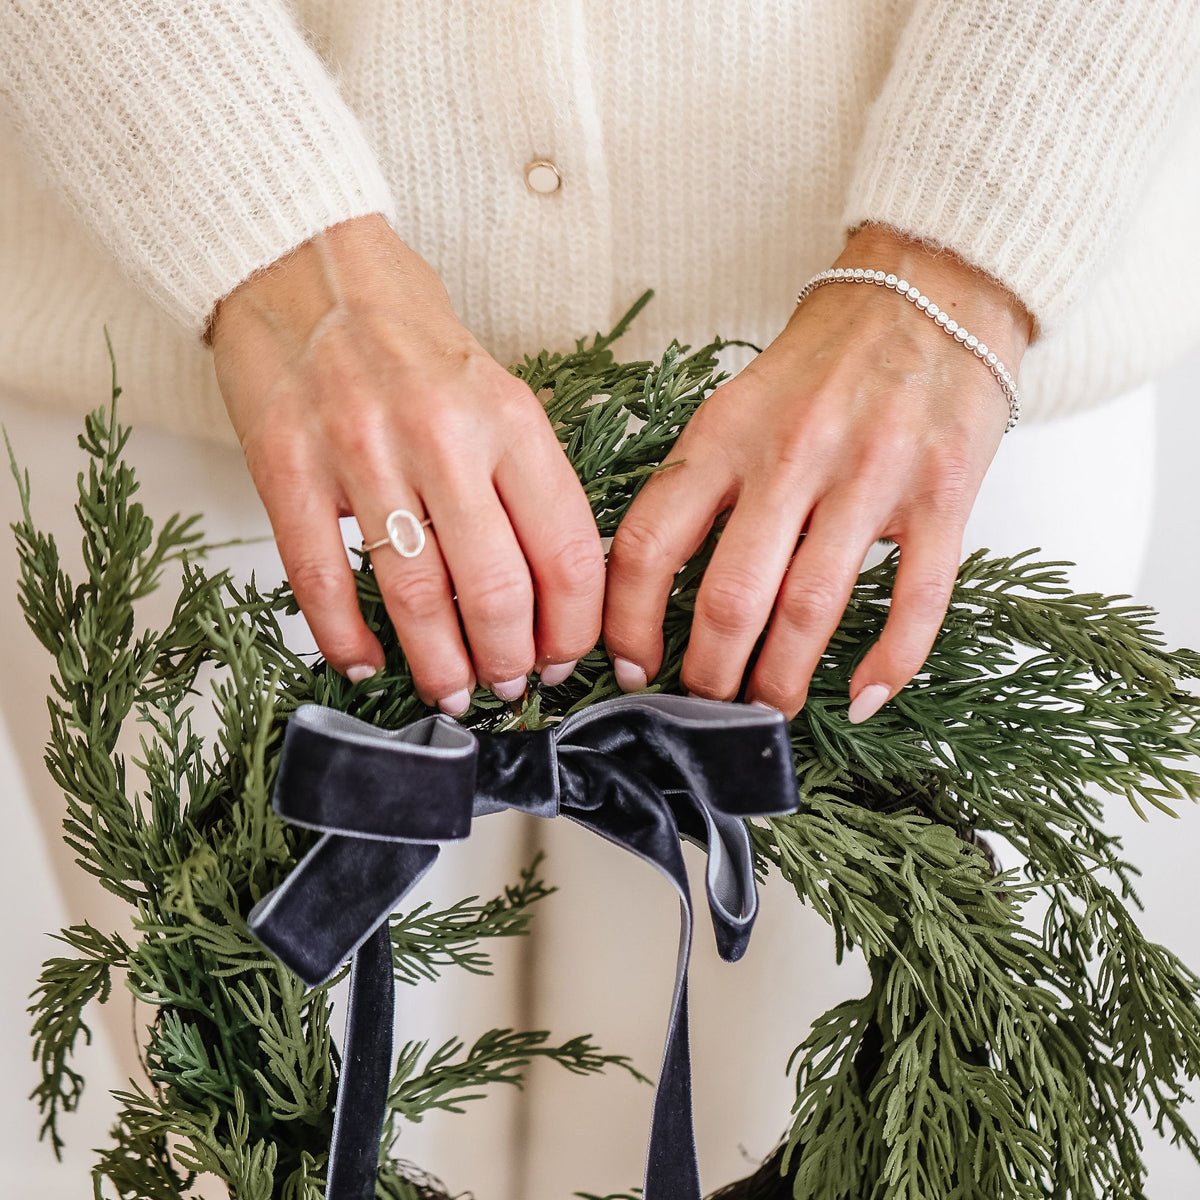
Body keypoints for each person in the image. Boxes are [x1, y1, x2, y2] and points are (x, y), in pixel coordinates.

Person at [1, 2, 1198, 1196]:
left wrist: (959, 259)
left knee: (888, 1140)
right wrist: (256, 223)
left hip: (901, 432)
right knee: (249, 1140)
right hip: (250, 398)